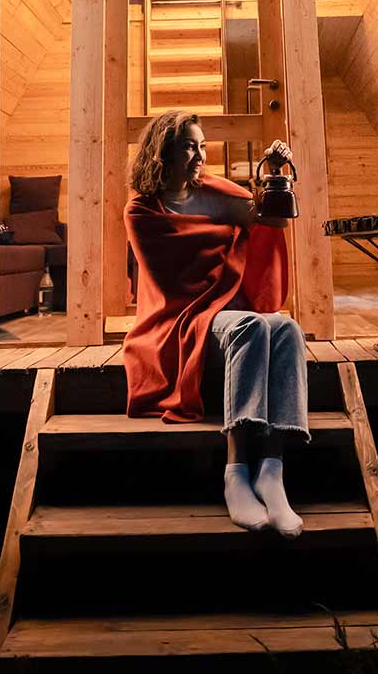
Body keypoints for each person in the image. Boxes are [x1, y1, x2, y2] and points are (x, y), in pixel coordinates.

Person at [122, 110, 307, 536]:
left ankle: (272, 473)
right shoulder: (141, 210)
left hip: (228, 308)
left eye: (203, 145)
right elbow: (175, 278)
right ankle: (236, 472)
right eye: (190, 145)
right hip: (180, 320)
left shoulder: (216, 193)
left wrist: (275, 176)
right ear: (162, 151)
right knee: (251, 326)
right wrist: (232, 228)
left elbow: (272, 219)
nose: (200, 155)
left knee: (286, 327)